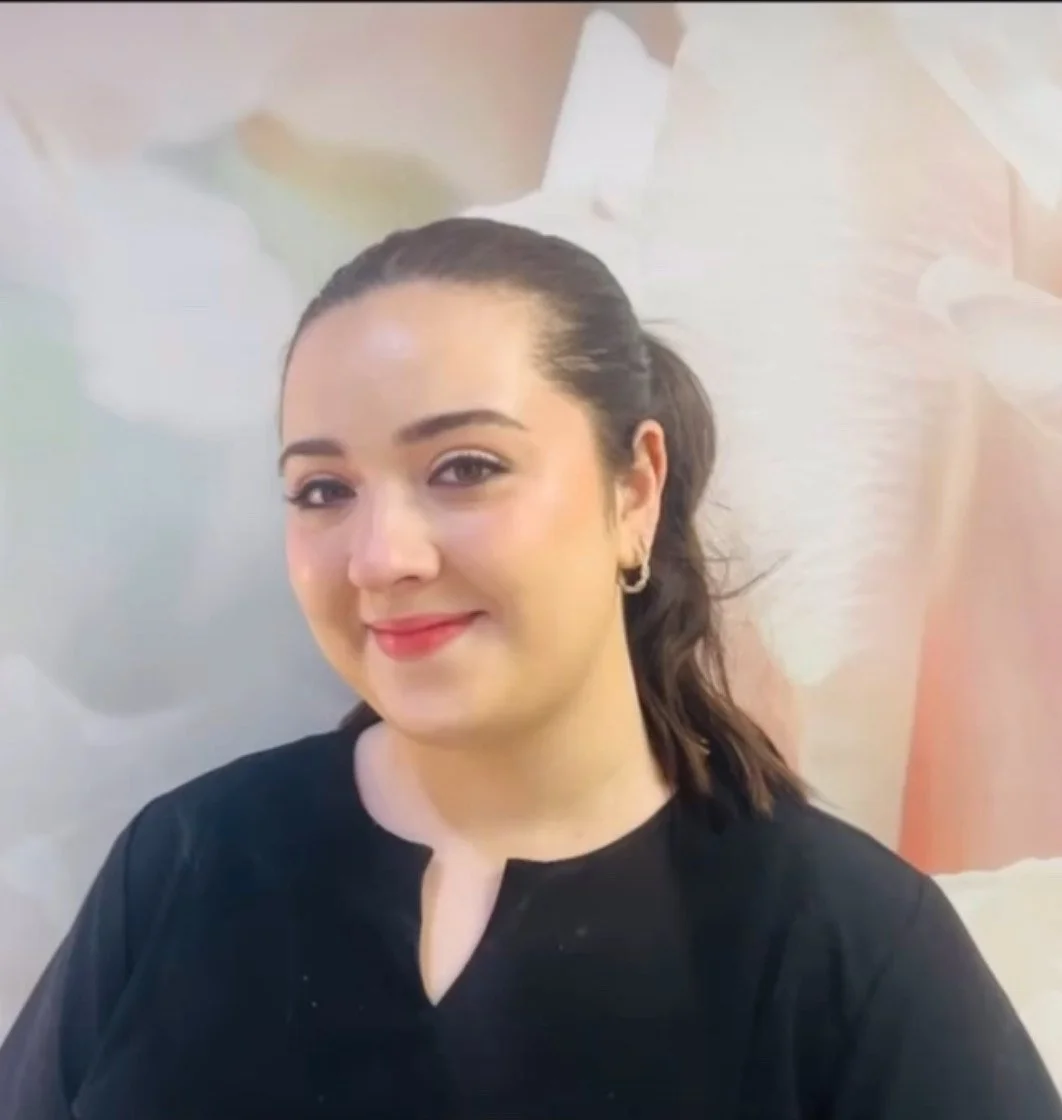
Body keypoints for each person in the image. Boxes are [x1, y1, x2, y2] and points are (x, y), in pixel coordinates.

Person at [0, 217, 1058, 1120]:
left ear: (634, 490)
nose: (382, 556)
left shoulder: (842, 941)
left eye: (465, 468)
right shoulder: (186, 861)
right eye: (324, 489)